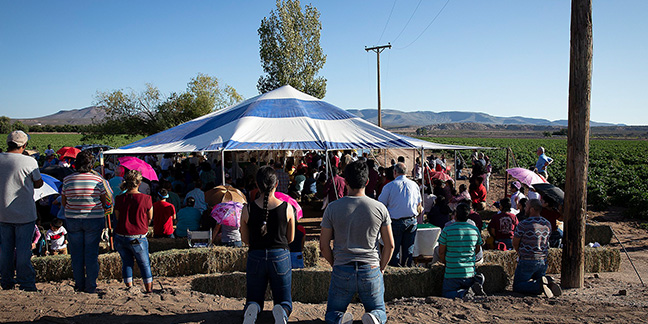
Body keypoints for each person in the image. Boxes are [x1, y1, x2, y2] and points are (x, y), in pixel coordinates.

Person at [320, 161, 395, 324]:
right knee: (379, 310)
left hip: (342, 267)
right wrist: (381, 267)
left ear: (345, 181)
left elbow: (323, 245)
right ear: (367, 182)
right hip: (370, 267)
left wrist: (335, 263)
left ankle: (340, 318)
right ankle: (373, 317)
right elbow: (390, 245)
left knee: (332, 313)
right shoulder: (380, 208)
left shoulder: (332, 208)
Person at [240, 166, 295, 324]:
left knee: (254, 296)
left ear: (257, 185)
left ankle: (252, 308)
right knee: (284, 300)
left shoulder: (247, 209)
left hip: (256, 255)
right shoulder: (287, 208)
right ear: (276, 184)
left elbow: (245, 239)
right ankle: (281, 310)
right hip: (280, 255)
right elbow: (290, 238)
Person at [0, 130, 43, 291]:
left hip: (3, 212)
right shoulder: (29, 162)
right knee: (24, 250)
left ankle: (6, 281)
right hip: (24, 213)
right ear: (24, 145)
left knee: (6, 250)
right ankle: (26, 283)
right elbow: (38, 183)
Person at [61, 150, 108, 293]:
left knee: (76, 254)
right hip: (93, 219)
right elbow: (104, 200)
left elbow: (64, 202)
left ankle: (79, 284)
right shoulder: (97, 180)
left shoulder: (67, 180)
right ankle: (91, 285)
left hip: (73, 218)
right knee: (91, 253)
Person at [114, 170, 154, 293]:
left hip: (121, 235)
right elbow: (150, 217)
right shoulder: (146, 198)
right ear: (139, 183)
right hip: (138, 236)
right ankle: (149, 290)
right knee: (144, 264)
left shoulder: (120, 198)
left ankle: (129, 287)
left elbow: (117, 216)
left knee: (126, 263)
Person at [512, 199, 562, 298]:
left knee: (517, 286)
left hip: (527, 260)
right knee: (537, 277)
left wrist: (519, 252)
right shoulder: (547, 224)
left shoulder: (524, 224)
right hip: (542, 260)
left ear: (531, 209)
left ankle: (538, 285)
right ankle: (545, 283)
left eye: (526, 207)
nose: (525, 208)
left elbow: (515, 242)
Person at [438, 203, 485, 299]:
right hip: (469, 273)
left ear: (455, 215)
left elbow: (441, 252)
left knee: (447, 294)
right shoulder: (475, 230)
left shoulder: (447, 230)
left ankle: (462, 293)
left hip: (452, 273)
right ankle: (472, 287)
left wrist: (446, 262)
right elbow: (477, 250)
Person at [378, 162, 421, 267]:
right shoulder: (414, 185)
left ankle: (395, 270)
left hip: (395, 221)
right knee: (408, 251)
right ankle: (406, 270)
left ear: (395, 172)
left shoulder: (389, 186)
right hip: (411, 220)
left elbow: (381, 204)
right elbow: (419, 204)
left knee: (394, 249)